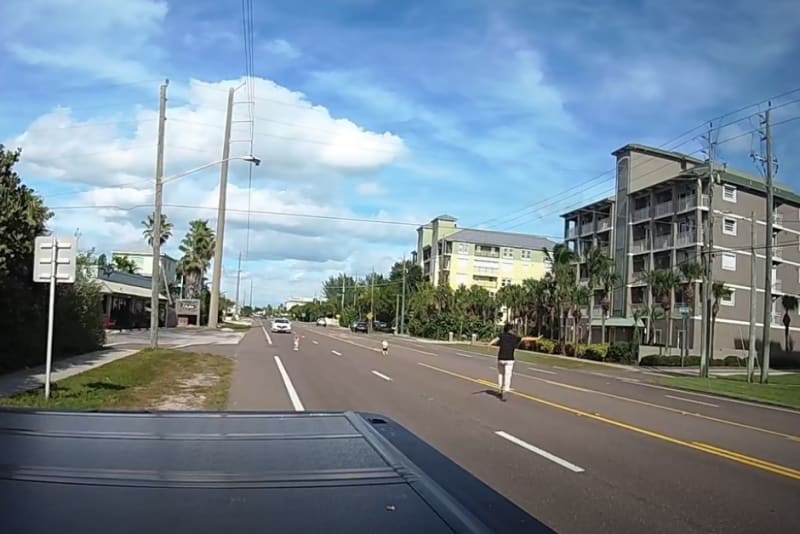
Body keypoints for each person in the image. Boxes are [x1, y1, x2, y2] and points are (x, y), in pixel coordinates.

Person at [495, 323, 520, 401]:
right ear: (511, 329)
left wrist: (488, 344)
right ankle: (506, 389)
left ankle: (500, 389)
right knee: (508, 375)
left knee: (500, 374)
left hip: (501, 358)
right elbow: (525, 338)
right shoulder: (514, 337)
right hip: (509, 359)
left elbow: (495, 340)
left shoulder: (501, 335)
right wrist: (536, 338)